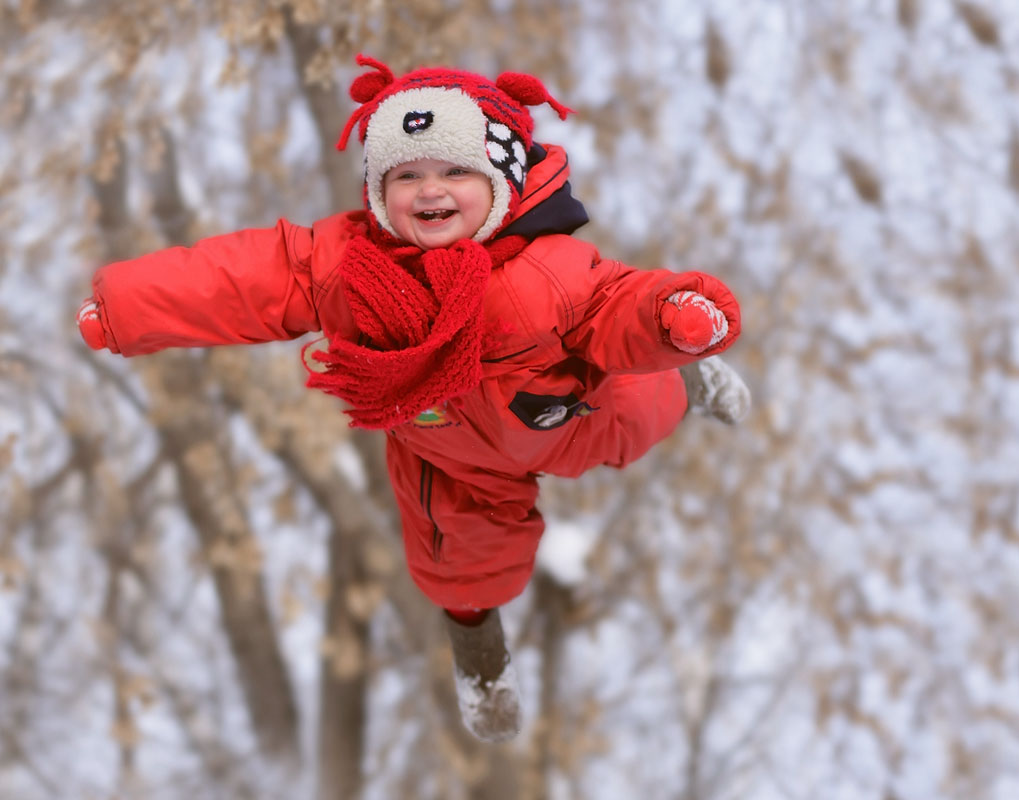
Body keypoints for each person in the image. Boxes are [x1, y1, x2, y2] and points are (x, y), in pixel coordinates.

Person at [77, 54, 751, 743]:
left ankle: (692, 375)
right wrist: (127, 309)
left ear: (501, 182)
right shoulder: (350, 269)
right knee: (456, 565)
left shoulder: (545, 276)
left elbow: (616, 302)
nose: (430, 190)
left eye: (455, 171)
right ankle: (482, 663)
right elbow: (244, 279)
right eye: (406, 175)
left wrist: (672, 315)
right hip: (449, 452)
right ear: (378, 190)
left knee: (644, 405)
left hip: (572, 414)